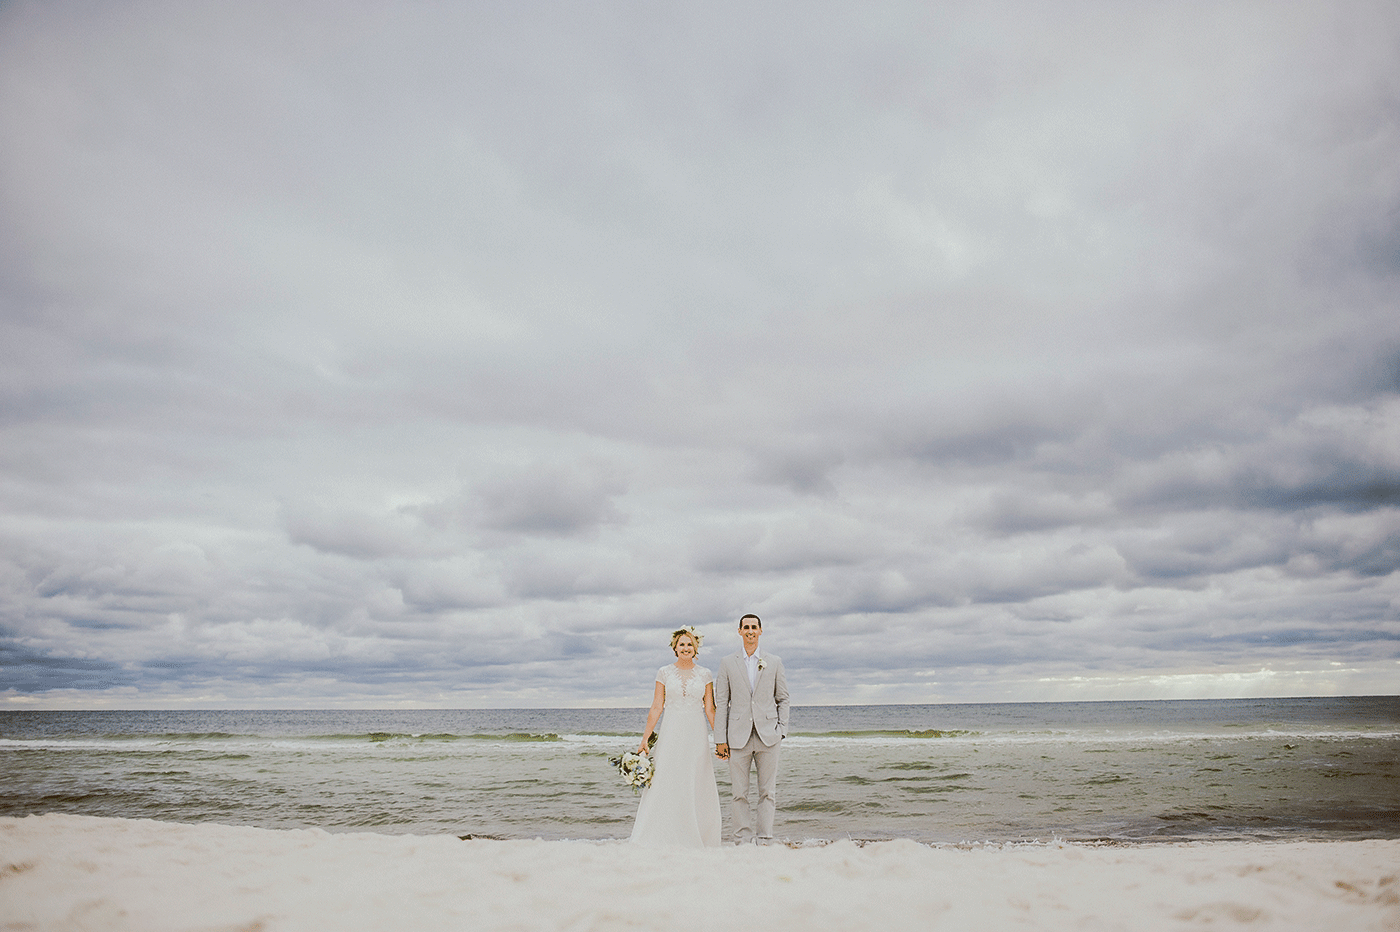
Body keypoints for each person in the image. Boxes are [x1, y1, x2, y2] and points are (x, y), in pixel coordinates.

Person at [628, 626, 723, 847]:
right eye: (682, 644)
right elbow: (656, 707)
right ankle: (663, 835)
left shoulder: (705, 674)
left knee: (695, 780)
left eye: (690, 644)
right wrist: (645, 739)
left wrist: (720, 740)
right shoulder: (664, 672)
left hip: (695, 733)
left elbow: (710, 709)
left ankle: (697, 835)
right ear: (675, 648)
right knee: (667, 780)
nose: (686, 648)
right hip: (671, 732)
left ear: (696, 648)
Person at [713, 613, 789, 845]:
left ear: (760, 631)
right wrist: (720, 739)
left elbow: (783, 698)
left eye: (754, 627)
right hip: (737, 737)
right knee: (739, 794)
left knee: (768, 793)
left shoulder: (774, 661)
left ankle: (764, 838)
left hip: (768, 736)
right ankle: (742, 840)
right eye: (746, 627)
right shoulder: (727, 662)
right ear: (739, 631)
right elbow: (722, 701)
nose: (750, 631)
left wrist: (781, 730)